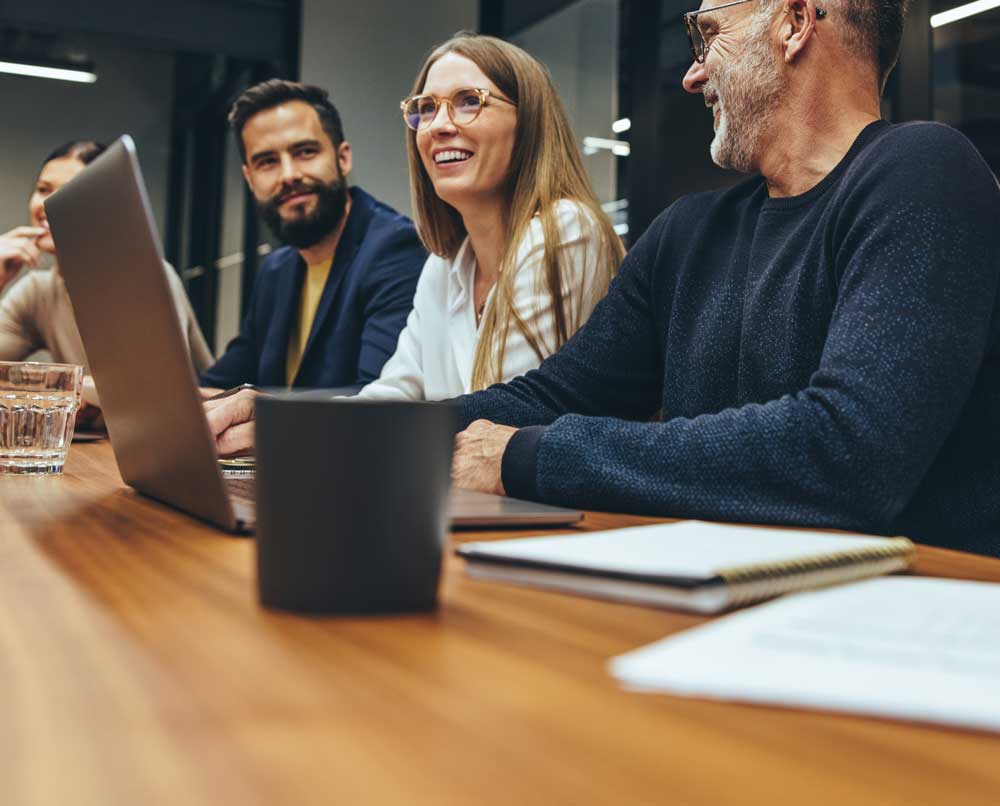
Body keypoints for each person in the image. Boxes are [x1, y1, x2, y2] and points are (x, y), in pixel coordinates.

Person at [441, 0, 1000, 556]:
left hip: (900, 615)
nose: (692, 74)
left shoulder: (924, 173)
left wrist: (530, 458)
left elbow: (849, 453)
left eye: (707, 36)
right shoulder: (687, 233)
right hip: (719, 598)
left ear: (795, 22)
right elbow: (557, 396)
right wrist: (381, 431)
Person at [354, 33, 623, 400]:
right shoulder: (445, 267)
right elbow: (395, 391)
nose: (438, 126)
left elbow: (500, 415)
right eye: (427, 108)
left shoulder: (566, 229)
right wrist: (288, 422)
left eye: (469, 102)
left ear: (528, 123)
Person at [199, 80, 426, 391]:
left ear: (342, 158)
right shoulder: (275, 271)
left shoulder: (395, 250)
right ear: (250, 180)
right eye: (268, 162)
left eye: (305, 152)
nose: (289, 175)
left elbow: (377, 401)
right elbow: (223, 380)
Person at [0, 141, 211, 375]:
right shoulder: (36, 292)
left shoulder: (146, 278)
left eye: (68, 192)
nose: (47, 205)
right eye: (43, 189)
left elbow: (150, 387)